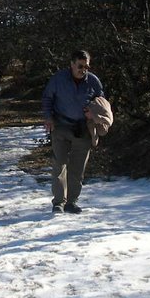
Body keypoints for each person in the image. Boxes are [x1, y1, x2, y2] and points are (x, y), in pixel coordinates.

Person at [41, 50, 105, 213]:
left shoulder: (93, 81)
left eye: (87, 66)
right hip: (61, 126)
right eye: (80, 66)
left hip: (83, 128)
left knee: (77, 168)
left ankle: (72, 202)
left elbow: (102, 102)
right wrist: (48, 117)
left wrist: (94, 113)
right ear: (71, 64)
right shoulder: (58, 79)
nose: (83, 69)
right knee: (59, 165)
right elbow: (47, 98)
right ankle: (58, 203)